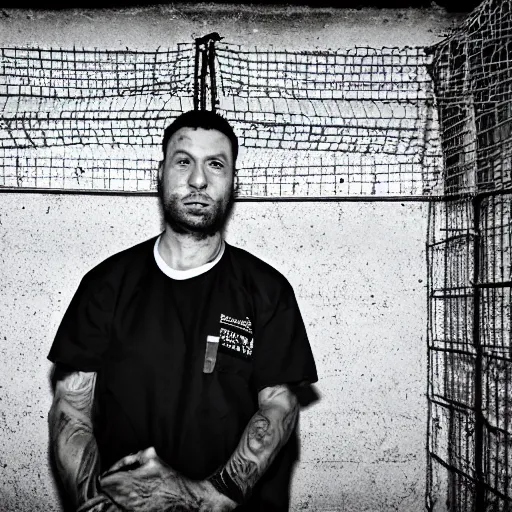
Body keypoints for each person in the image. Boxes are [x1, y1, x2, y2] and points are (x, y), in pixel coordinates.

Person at [48, 110, 318, 512]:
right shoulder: (105, 285)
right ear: (161, 173)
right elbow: (71, 408)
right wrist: (93, 505)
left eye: (215, 164)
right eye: (183, 161)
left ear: (232, 181)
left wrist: (212, 498)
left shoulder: (266, 289)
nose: (197, 180)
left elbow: (278, 404)